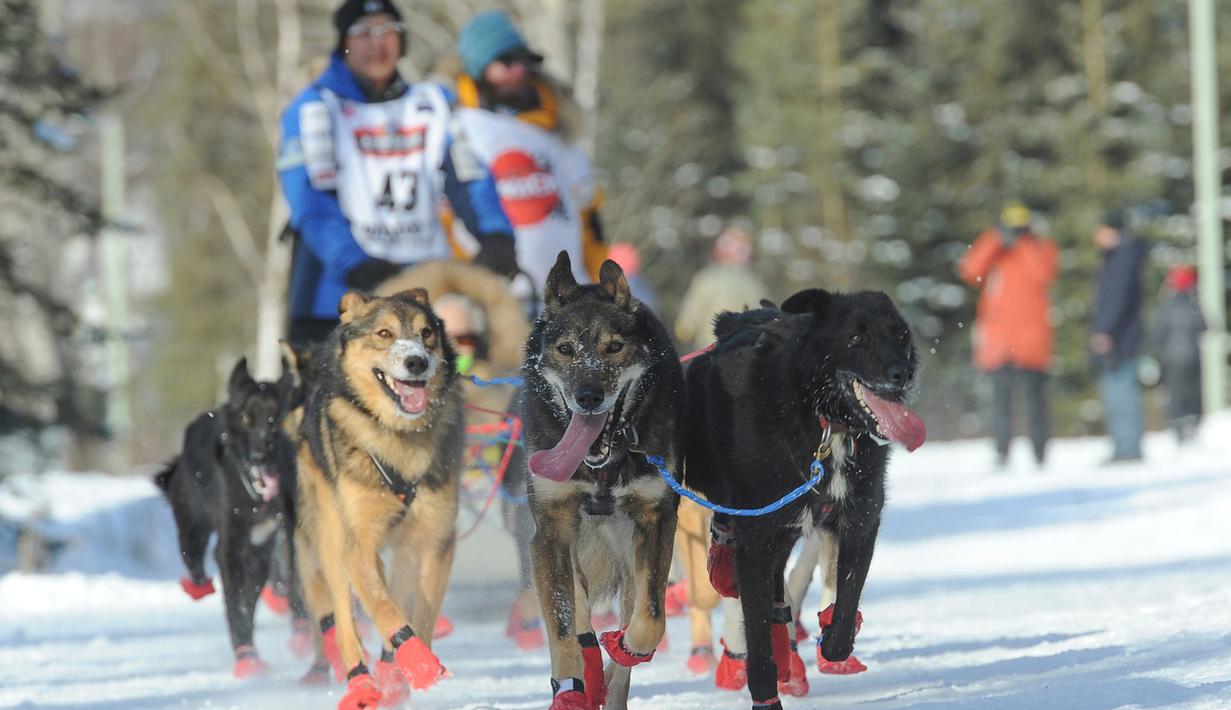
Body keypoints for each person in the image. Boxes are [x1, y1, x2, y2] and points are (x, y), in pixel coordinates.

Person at [277, 0, 519, 347]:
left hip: (422, 287)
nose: (377, 43)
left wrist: (496, 236)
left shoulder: (434, 102)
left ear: (402, 42)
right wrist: (356, 265)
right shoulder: (316, 107)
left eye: (388, 30)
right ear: (344, 41)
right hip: (338, 293)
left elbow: (469, 177)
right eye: (363, 32)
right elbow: (310, 203)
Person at [453, 9, 607, 309]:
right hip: (496, 299)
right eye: (506, 62)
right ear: (478, 69)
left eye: (523, 61)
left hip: (568, 300)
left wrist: (603, 283)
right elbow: (451, 215)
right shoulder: (462, 128)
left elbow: (589, 216)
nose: (519, 71)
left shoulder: (559, 129)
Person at [672, 225, 771, 681]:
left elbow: (687, 325)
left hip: (703, 371)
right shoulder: (751, 283)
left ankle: (692, 614)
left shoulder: (707, 279)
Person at [958, 202, 1059, 468]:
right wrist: (994, 239)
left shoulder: (1040, 247)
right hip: (999, 343)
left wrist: (1023, 245)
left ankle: (1040, 453)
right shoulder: (996, 253)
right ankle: (1002, 452)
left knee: (1035, 403)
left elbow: (1043, 275)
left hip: (1031, 342)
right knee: (1000, 403)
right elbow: (969, 270)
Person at [1090, 209, 1148, 463]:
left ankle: (1127, 447)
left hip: (1119, 337)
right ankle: (1125, 445)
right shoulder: (1122, 256)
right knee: (1119, 390)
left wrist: (1106, 330)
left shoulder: (1121, 259)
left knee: (1120, 392)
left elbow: (1116, 299)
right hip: (1122, 334)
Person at [675, 226, 771, 350]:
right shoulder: (753, 282)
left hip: (711, 346)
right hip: (744, 348)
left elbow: (690, 315)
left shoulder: (707, 277)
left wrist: (685, 329)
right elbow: (765, 314)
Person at [1152, 265, 1206, 444]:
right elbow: (1205, 326)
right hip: (1193, 357)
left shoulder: (1167, 306)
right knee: (1193, 393)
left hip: (1173, 358)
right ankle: (1193, 425)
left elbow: (1158, 332)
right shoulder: (1194, 305)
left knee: (1176, 394)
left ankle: (1179, 428)